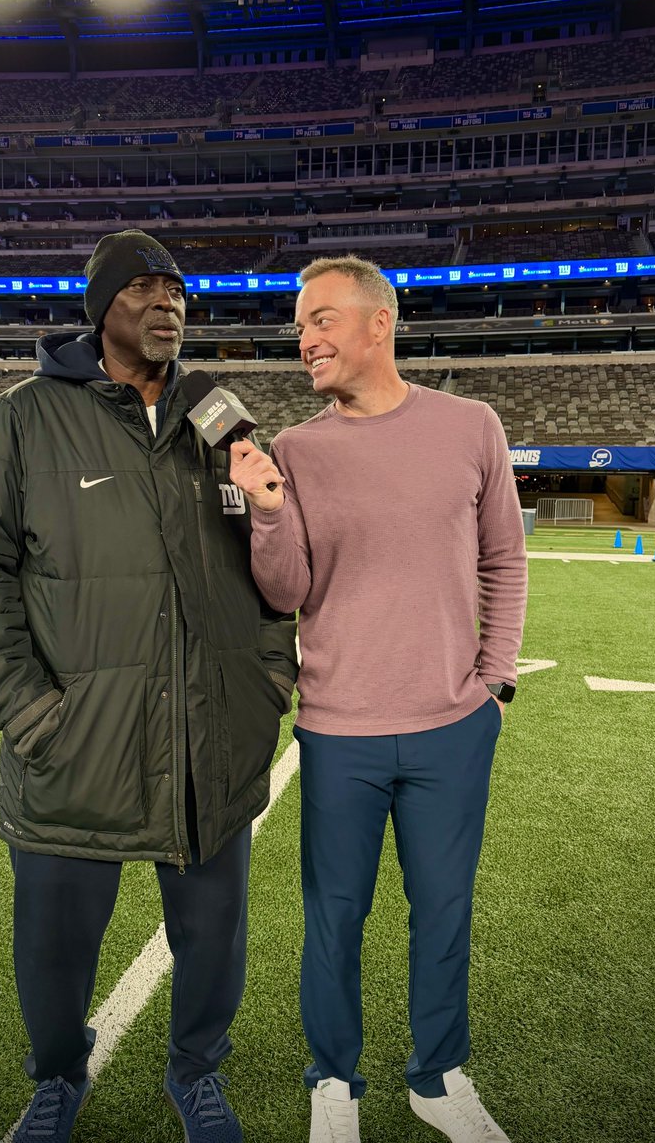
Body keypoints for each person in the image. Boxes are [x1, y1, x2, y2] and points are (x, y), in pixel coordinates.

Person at [0, 229, 298, 1143]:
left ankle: (196, 1073)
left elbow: (271, 564)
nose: (167, 301)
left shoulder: (222, 419)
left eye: (177, 289)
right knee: (53, 955)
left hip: (210, 743)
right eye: (143, 287)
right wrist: (30, 713)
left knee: (213, 943)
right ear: (101, 308)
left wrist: (265, 679)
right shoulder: (25, 419)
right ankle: (58, 1075)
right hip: (74, 747)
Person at [229, 255, 527, 1143]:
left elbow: (504, 560)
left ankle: (438, 1078)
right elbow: (286, 591)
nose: (305, 340)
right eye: (299, 327)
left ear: (378, 324)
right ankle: (334, 1081)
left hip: (452, 726)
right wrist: (268, 512)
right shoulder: (296, 449)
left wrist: (495, 682)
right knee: (334, 919)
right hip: (339, 732)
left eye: (320, 320)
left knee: (443, 913)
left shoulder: (472, 426)